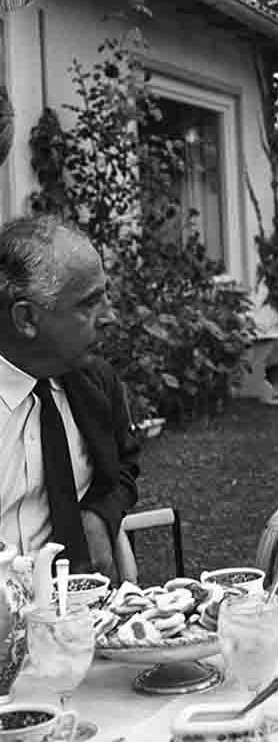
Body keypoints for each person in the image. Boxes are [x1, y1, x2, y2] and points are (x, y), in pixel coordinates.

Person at [0, 215, 139, 575]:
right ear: (26, 318)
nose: (109, 316)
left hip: (82, 615)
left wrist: (98, 514)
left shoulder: (95, 382)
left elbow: (124, 464)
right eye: (87, 304)